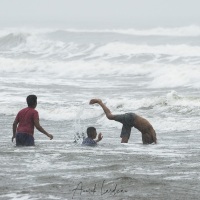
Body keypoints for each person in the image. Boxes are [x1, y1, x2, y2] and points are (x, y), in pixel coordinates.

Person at [89, 99, 157, 144]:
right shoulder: (150, 132)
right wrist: (155, 143)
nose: (147, 141)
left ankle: (122, 153)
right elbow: (151, 140)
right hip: (131, 118)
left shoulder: (146, 132)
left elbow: (146, 142)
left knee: (124, 143)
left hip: (130, 122)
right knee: (110, 116)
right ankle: (100, 102)